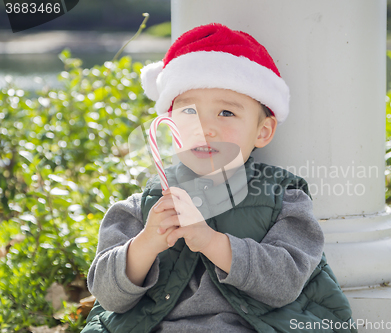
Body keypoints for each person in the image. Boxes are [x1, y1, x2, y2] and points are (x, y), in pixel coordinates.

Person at [81, 23, 357, 333]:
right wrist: (147, 243)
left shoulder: (284, 198)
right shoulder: (142, 206)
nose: (204, 127)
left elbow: (285, 282)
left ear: (262, 131)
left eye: (226, 113)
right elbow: (107, 296)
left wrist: (212, 242)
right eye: (188, 112)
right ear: (169, 124)